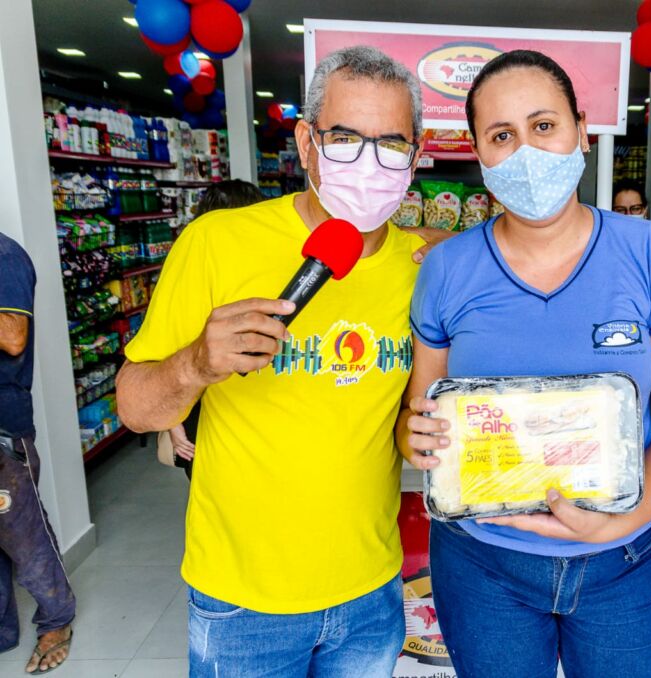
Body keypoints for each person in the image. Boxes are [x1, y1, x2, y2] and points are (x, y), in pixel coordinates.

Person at [116, 46, 442, 677]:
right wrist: (195, 365)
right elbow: (132, 406)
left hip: (371, 587)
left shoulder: (422, 266)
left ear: (416, 152)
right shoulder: (217, 242)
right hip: (242, 599)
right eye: (345, 138)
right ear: (305, 140)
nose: (368, 162)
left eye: (391, 143)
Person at [399, 50, 651, 678]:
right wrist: (415, 437)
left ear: (580, 126)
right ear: (479, 152)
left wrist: (619, 519)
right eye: (501, 136)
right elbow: (422, 415)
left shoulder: (650, 253)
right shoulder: (446, 267)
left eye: (543, 126)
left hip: (621, 564)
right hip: (482, 565)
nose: (525, 152)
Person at [0, 233, 75, 674]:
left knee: (24, 537)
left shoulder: (5, 256)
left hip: (4, 425)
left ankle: (56, 620)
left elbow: (12, 336)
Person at [158, 179, 265, 479]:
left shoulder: (258, 267)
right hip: (206, 408)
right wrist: (174, 421)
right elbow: (168, 352)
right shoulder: (195, 270)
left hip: (231, 409)